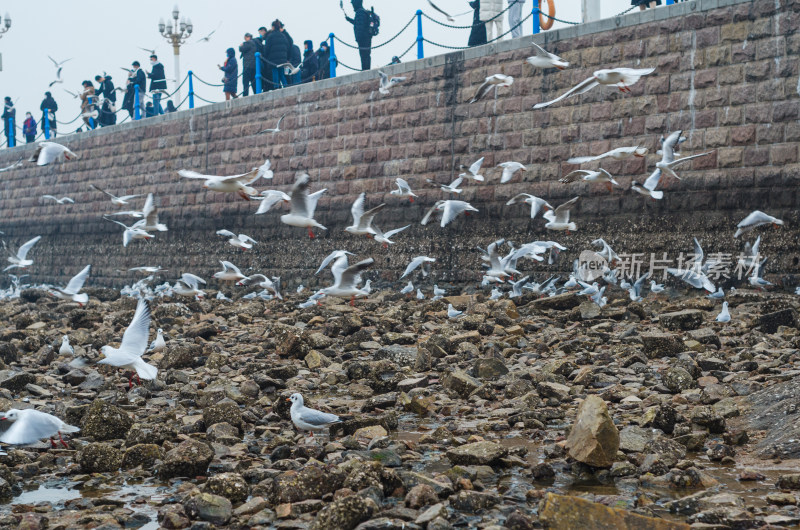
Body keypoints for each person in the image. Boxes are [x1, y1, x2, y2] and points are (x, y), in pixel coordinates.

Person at [261, 20, 290, 91]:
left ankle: (276, 87)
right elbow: (288, 46)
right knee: (281, 73)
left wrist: (265, 56)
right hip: (283, 58)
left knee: (275, 72)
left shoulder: (270, 36)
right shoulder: (283, 36)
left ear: (273, 27)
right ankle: (285, 86)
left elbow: (267, 48)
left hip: (273, 58)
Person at [345, 0, 372, 71]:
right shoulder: (363, 12)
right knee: (366, 55)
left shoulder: (359, 12)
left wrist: (358, 38)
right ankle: (366, 69)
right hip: (367, 37)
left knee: (364, 55)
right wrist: (349, 20)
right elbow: (359, 23)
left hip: (363, 39)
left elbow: (360, 26)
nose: (352, 5)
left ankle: (365, 70)